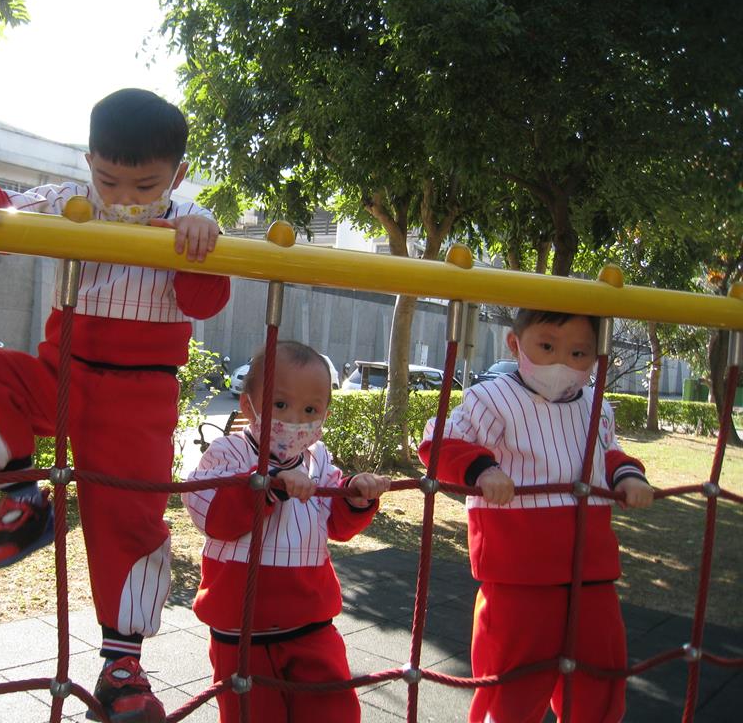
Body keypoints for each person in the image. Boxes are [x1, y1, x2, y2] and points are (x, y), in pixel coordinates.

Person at [0, 88, 230, 723]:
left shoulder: (188, 217)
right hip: (62, 373)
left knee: (130, 521)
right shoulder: (72, 202)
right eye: (108, 179)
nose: (123, 198)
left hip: (139, 398)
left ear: (177, 174)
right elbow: (2, 211)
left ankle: (123, 666)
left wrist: (201, 243)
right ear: (89, 160)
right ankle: (24, 500)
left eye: (145, 185)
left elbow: (204, 303)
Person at [419, 309, 654, 723]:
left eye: (579, 353)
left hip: (591, 571)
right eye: (547, 347)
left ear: (596, 357)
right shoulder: (491, 399)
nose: (561, 363)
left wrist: (628, 475)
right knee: (514, 682)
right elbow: (439, 443)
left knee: (601, 673)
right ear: (515, 344)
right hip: (519, 572)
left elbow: (608, 453)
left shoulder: (597, 406)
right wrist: (483, 470)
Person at [184, 340, 391, 722]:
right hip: (241, 627)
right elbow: (211, 516)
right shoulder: (228, 453)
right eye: (280, 405)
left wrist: (356, 496)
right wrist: (267, 485)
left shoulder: (318, 459)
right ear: (248, 406)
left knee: (334, 711)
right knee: (252, 714)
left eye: (310, 410)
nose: (295, 420)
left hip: (310, 622)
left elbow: (336, 523)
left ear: (325, 414)